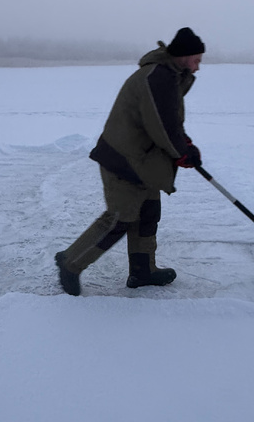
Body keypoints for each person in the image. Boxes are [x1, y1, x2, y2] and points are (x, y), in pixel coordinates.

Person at [55, 27, 205, 296]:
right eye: (197, 59)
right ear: (184, 55)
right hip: (124, 160)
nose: (198, 67)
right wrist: (180, 151)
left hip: (144, 161)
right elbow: (161, 124)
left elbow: (169, 120)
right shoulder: (157, 77)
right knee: (119, 219)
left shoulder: (168, 75)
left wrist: (186, 144)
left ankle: (143, 271)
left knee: (148, 213)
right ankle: (71, 263)